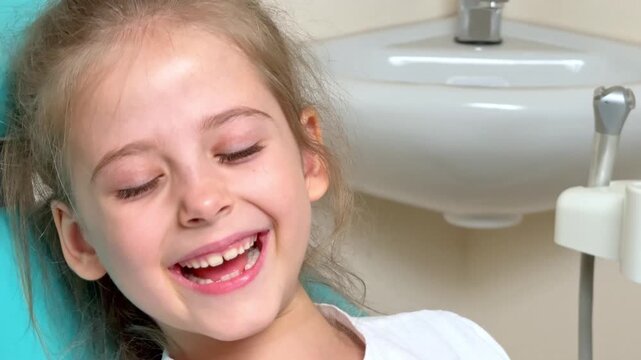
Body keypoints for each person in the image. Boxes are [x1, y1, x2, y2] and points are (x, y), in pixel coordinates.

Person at [1, 1, 510, 359]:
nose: (202, 199)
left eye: (237, 150)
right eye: (137, 183)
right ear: (80, 238)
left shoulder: (453, 343)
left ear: (309, 155)